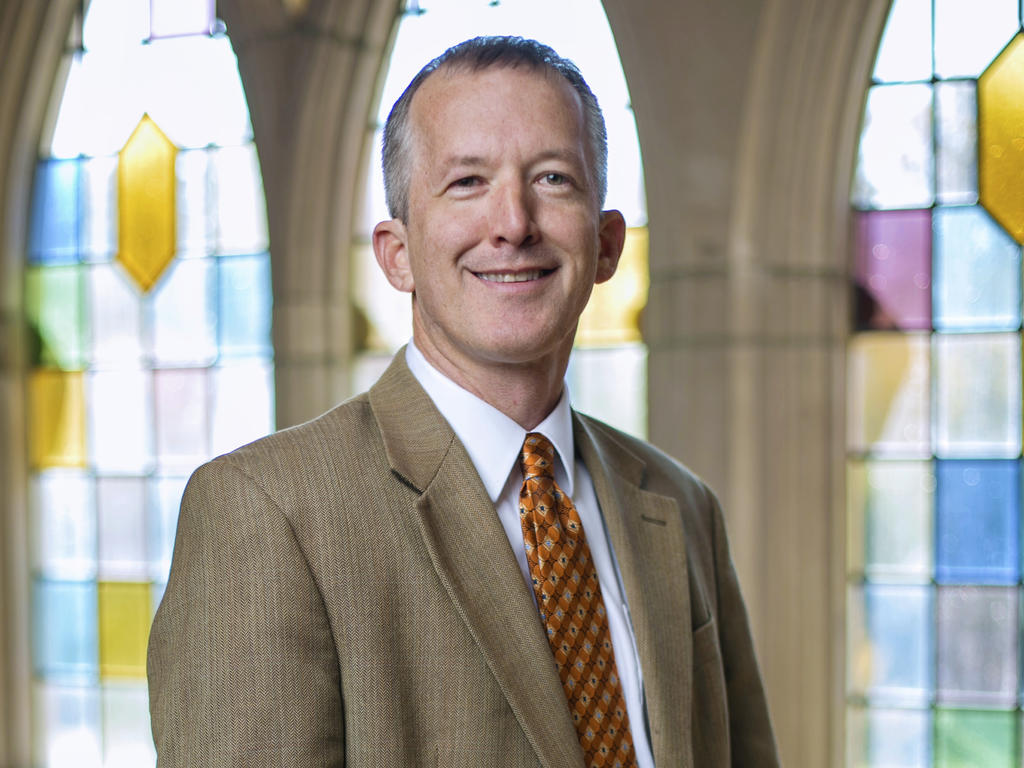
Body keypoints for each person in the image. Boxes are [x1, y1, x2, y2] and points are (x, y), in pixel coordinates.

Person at [147, 36, 779, 768]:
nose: (513, 222)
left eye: (552, 178)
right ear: (398, 253)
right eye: (467, 182)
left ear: (607, 244)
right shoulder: (267, 515)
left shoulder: (681, 503)